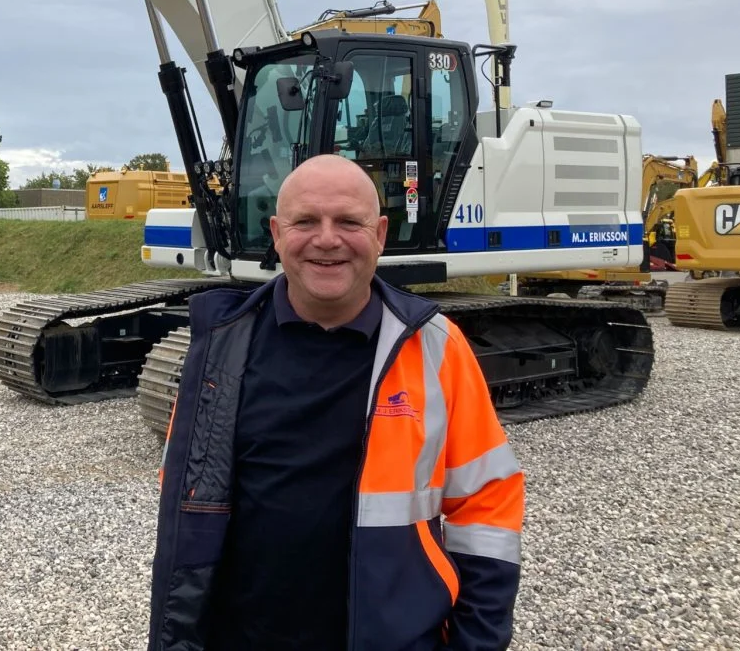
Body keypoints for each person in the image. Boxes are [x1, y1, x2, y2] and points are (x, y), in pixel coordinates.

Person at [146, 154, 524, 651]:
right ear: (278, 233)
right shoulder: (220, 349)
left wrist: (476, 641)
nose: (327, 239)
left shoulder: (435, 346)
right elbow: (185, 499)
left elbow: (488, 505)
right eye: (306, 222)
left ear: (381, 234)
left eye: (349, 221)